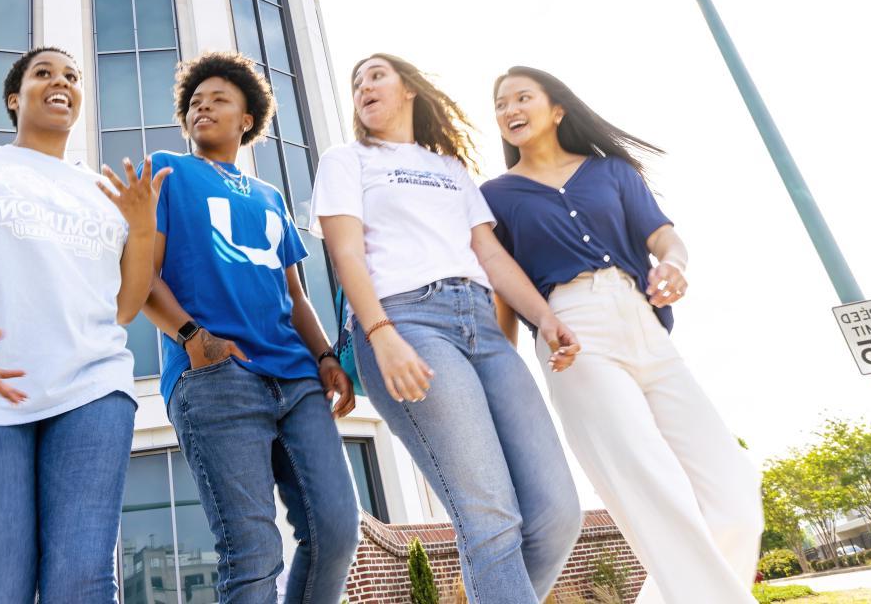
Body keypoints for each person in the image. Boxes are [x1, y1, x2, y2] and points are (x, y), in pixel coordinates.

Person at [481, 66, 762, 604]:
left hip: (646, 328)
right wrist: (533, 336)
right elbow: (502, 282)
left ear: (557, 109)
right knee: (653, 490)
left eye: (522, 97)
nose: (509, 109)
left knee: (734, 492)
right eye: (500, 103)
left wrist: (674, 264)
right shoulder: (495, 195)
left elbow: (664, 237)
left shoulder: (613, 172)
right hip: (572, 332)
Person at [0, 46, 166, 602]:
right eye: (44, 73)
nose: (60, 81)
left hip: (93, 386)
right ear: (15, 98)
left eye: (72, 75)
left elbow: (123, 306)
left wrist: (140, 230)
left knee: (82, 583)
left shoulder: (104, 190)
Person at [313, 53, 582, 604]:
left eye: (377, 76)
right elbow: (346, 255)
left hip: (483, 328)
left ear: (409, 88)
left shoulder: (450, 169)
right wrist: (382, 333)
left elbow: (490, 254)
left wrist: (544, 316)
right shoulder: (346, 161)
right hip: (406, 320)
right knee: (491, 518)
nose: (364, 87)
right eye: (357, 82)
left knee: (558, 514)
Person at [139, 51, 360, 604]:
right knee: (254, 554)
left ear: (247, 120)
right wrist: (195, 339)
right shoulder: (167, 169)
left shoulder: (270, 196)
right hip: (219, 378)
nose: (202, 107)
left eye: (218, 99)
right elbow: (140, 276)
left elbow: (296, 294)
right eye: (194, 102)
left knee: (336, 533)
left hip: (298, 378)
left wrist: (327, 356)